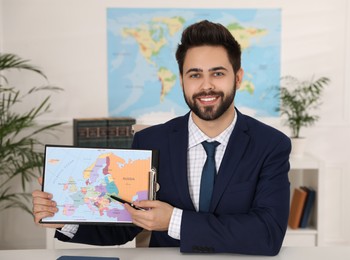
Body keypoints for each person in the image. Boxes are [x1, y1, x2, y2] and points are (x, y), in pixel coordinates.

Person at [32, 20, 291, 256]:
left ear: (238, 77)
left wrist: (173, 221)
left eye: (218, 73)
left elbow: (267, 234)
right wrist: (65, 218)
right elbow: (123, 227)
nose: (206, 85)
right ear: (181, 80)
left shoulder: (271, 145)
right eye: (195, 74)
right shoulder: (150, 141)